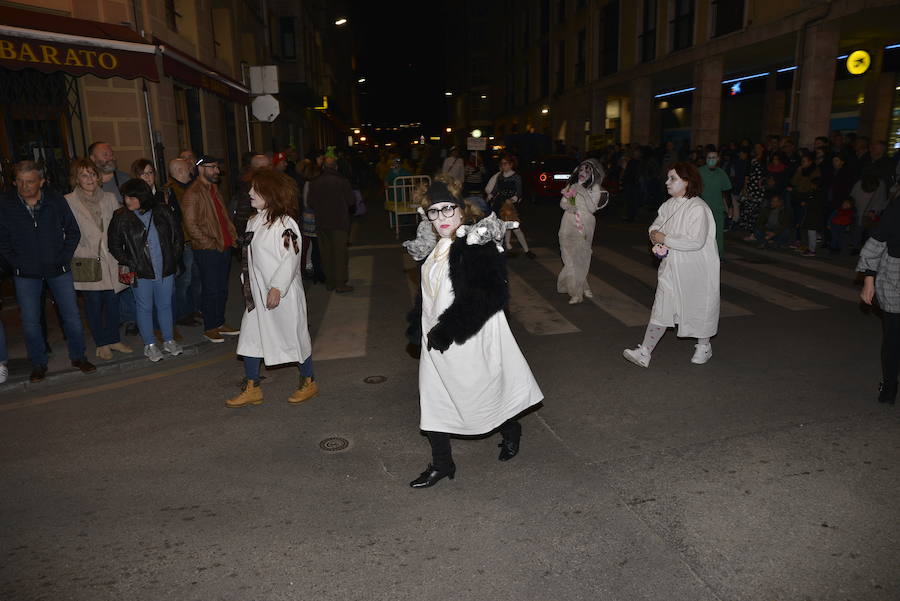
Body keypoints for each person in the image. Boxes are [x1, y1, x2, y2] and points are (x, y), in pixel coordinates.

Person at [409, 179, 543, 489]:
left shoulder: (475, 244)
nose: (442, 217)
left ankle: (511, 429)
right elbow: (428, 294)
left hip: (468, 337)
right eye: (433, 212)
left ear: (461, 210)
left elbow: (489, 296)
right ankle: (442, 464)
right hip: (436, 339)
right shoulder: (436, 247)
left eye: (448, 209)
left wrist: (447, 330)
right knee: (434, 399)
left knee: (483, 394)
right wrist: (418, 327)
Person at [226, 170, 317, 407]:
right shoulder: (253, 221)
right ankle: (252, 387)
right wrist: (247, 281)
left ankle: (308, 381)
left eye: (256, 189)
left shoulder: (285, 224)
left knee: (294, 337)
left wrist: (277, 287)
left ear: (270, 193)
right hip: (257, 295)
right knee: (250, 337)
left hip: (282, 295)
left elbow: (291, 257)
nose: (250, 193)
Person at [0, 161, 96, 382]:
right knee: (30, 321)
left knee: (71, 316)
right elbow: (2, 240)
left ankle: (79, 357)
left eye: (30, 181)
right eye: (19, 181)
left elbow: (73, 231)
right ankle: (38, 363)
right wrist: (17, 263)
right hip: (25, 274)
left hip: (58, 269)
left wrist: (62, 258)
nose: (24, 186)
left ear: (41, 182)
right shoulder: (6, 204)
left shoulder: (55, 200)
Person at [623, 162, 720, 368]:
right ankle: (645, 352)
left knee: (697, 307)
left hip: (695, 270)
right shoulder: (668, 205)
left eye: (673, 178)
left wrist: (664, 238)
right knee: (662, 307)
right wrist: (653, 233)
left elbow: (696, 242)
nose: (667, 182)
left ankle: (704, 346)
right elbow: (657, 224)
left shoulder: (698, 208)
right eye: (668, 178)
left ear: (687, 182)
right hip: (671, 266)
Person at [108, 179, 183, 362]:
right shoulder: (121, 216)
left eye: (132, 197)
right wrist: (130, 262)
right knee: (144, 308)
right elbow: (114, 244)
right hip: (140, 272)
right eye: (126, 197)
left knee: (165, 305)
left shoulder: (162, 211)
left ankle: (169, 340)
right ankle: (149, 345)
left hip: (164, 269)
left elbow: (177, 237)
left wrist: (173, 259)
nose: (127, 201)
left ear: (143, 196)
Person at [64, 159, 132, 361]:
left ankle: (114, 339)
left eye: (93, 174)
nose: (89, 179)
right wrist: (80, 250)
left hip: (110, 258)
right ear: (76, 179)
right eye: (84, 175)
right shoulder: (68, 201)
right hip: (87, 260)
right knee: (93, 304)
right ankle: (101, 343)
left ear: (98, 177)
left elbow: (119, 227)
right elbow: (64, 232)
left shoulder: (110, 198)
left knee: (113, 302)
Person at [181, 155, 240, 342]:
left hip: (223, 245)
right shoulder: (193, 193)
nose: (217, 171)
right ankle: (210, 327)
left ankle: (219, 322)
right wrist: (210, 243)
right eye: (212, 167)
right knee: (211, 289)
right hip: (208, 249)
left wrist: (233, 236)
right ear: (200, 169)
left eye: (217, 167)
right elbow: (190, 226)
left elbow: (223, 216)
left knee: (222, 288)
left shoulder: (213, 189)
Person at [858, 202, 900, 405]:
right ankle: (890, 386)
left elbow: (875, 245)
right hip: (895, 277)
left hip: (894, 276)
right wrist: (868, 280)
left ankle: (889, 389)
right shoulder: (896, 210)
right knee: (893, 337)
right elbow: (877, 243)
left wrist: (869, 280)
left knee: (893, 337)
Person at [305, 147, 356, 293]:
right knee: (339, 253)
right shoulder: (342, 181)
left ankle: (330, 282)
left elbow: (310, 203)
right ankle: (340, 283)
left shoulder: (315, 182)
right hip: (339, 222)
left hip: (321, 223)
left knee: (326, 253)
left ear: (323, 167)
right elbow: (351, 201)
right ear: (336, 166)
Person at [557, 159, 608, 304]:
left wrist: (584, 193)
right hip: (568, 221)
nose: (583, 173)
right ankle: (582, 287)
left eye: (587, 171)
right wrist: (569, 206)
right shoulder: (572, 185)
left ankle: (576, 293)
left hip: (584, 223)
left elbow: (592, 209)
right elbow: (562, 202)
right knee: (568, 257)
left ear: (592, 174)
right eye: (581, 170)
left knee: (580, 257)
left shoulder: (594, 187)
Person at [165, 158, 200, 326]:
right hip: (184, 241)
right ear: (179, 171)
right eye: (187, 169)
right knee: (184, 280)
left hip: (192, 239)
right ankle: (182, 313)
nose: (190, 171)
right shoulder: (170, 192)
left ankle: (193, 309)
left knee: (195, 277)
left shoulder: (188, 188)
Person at [485, 154, 534, 259]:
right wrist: (489, 197)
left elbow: (519, 193)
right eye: (502, 164)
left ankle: (527, 250)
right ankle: (505, 249)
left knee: (515, 228)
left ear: (511, 164)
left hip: (510, 205)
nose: (503, 166)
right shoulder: (500, 175)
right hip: (499, 203)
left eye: (505, 163)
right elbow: (495, 189)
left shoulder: (516, 177)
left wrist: (511, 200)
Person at [698, 148, 733, 257]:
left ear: (718, 159)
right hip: (702, 208)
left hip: (717, 208)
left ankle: (718, 255)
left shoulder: (721, 174)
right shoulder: (699, 172)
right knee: (701, 232)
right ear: (706, 159)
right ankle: (701, 255)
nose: (711, 160)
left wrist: (730, 207)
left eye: (713, 158)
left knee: (718, 233)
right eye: (709, 158)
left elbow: (727, 191)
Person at [739, 143, 767, 235]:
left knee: (756, 210)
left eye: (758, 147)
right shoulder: (752, 159)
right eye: (755, 147)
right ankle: (749, 231)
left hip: (759, 188)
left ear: (763, 148)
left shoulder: (765, 159)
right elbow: (747, 174)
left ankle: (754, 232)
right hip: (751, 186)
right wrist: (745, 187)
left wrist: (763, 181)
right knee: (748, 208)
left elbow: (766, 173)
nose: (756, 149)